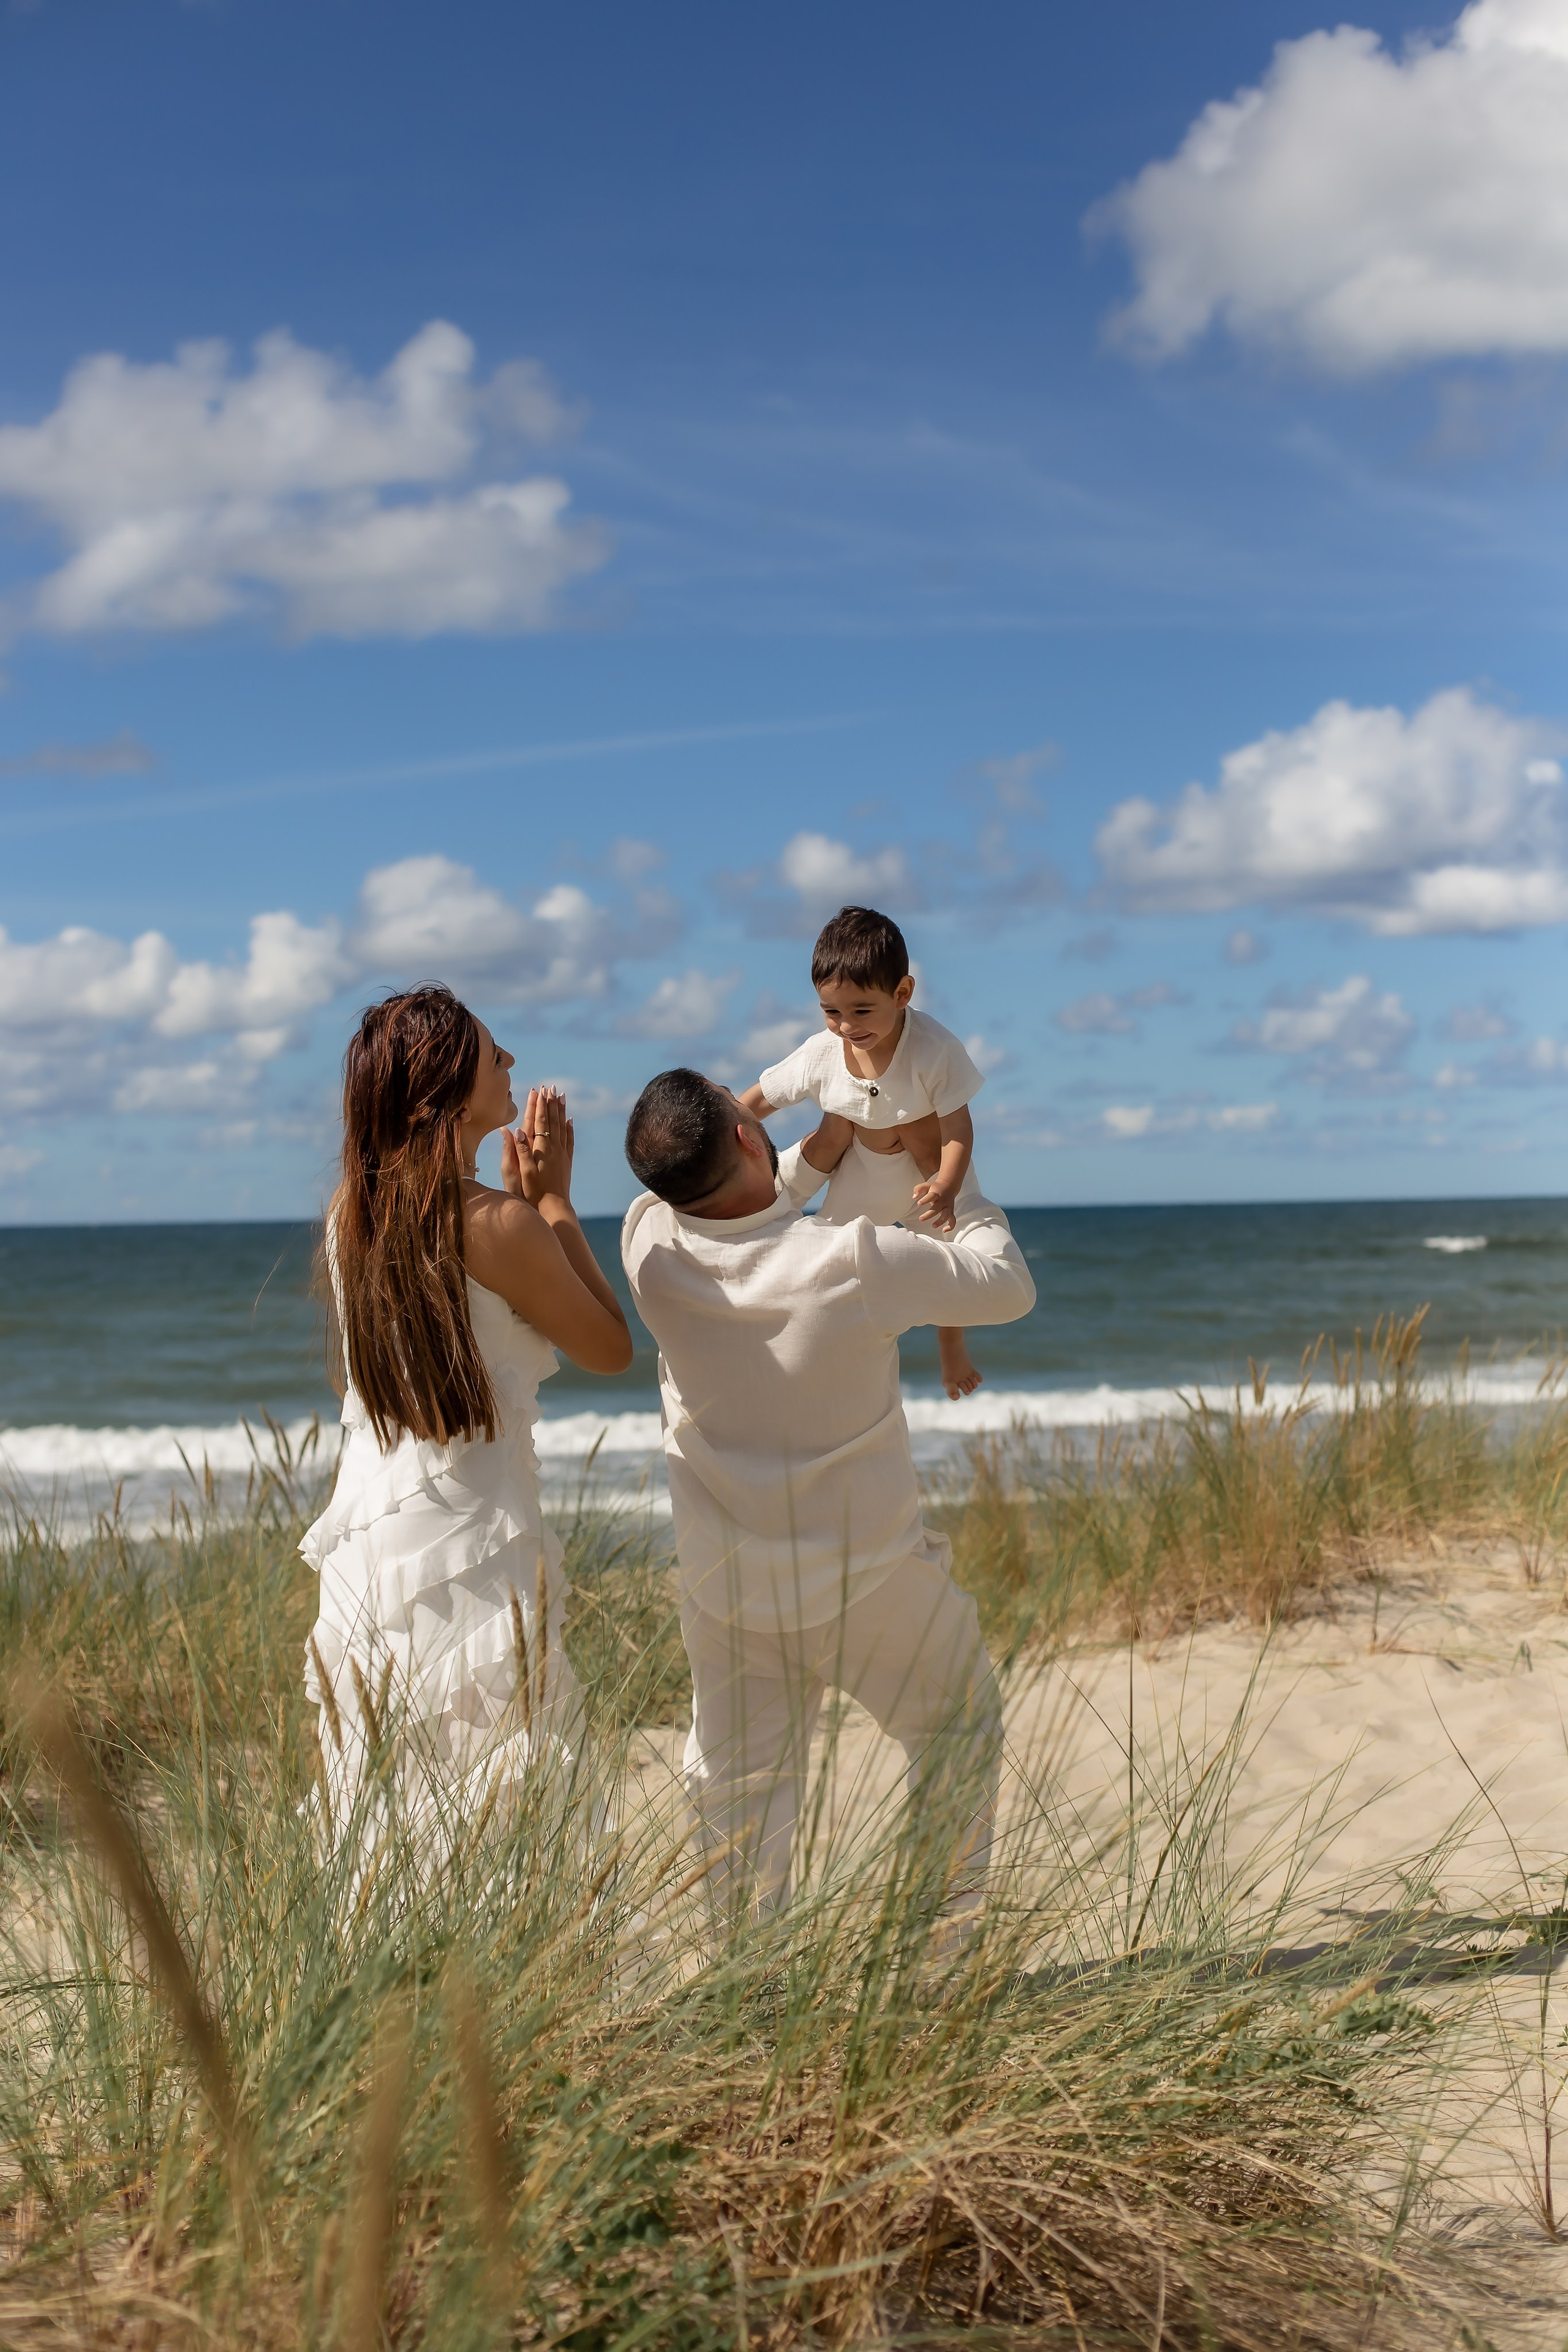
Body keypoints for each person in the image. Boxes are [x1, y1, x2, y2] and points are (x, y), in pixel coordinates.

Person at [620, 1066, 1036, 1933]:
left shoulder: (647, 1247)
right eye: (744, 1107)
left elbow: (727, 1200)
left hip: (728, 1589)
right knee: (957, 1725)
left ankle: (745, 1986)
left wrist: (803, 1154)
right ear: (743, 1136)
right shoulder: (853, 1259)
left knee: (740, 1795)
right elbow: (1006, 1287)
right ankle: (933, 1954)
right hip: (870, 1581)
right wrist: (957, 1177)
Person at [301, 984, 633, 1861]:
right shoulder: (499, 1223)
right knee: (504, 1804)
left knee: (391, 1806)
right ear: (444, 1093)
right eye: (495, 1056)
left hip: (372, 1553)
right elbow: (609, 1348)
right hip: (475, 1548)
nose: (513, 1064)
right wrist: (556, 1204)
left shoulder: (353, 1218)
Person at [739, 904, 990, 1400]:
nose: (847, 1026)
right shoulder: (821, 1053)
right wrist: (726, 1136)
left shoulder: (934, 1049)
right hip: (861, 1170)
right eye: (831, 1011)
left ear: (902, 994)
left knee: (954, 1260)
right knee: (830, 1260)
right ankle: (824, 1351)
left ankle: (952, 1347)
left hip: (929, 1177)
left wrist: (946, 1186)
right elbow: (760, 1100)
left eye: (861, 1011)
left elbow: (959, 1128)